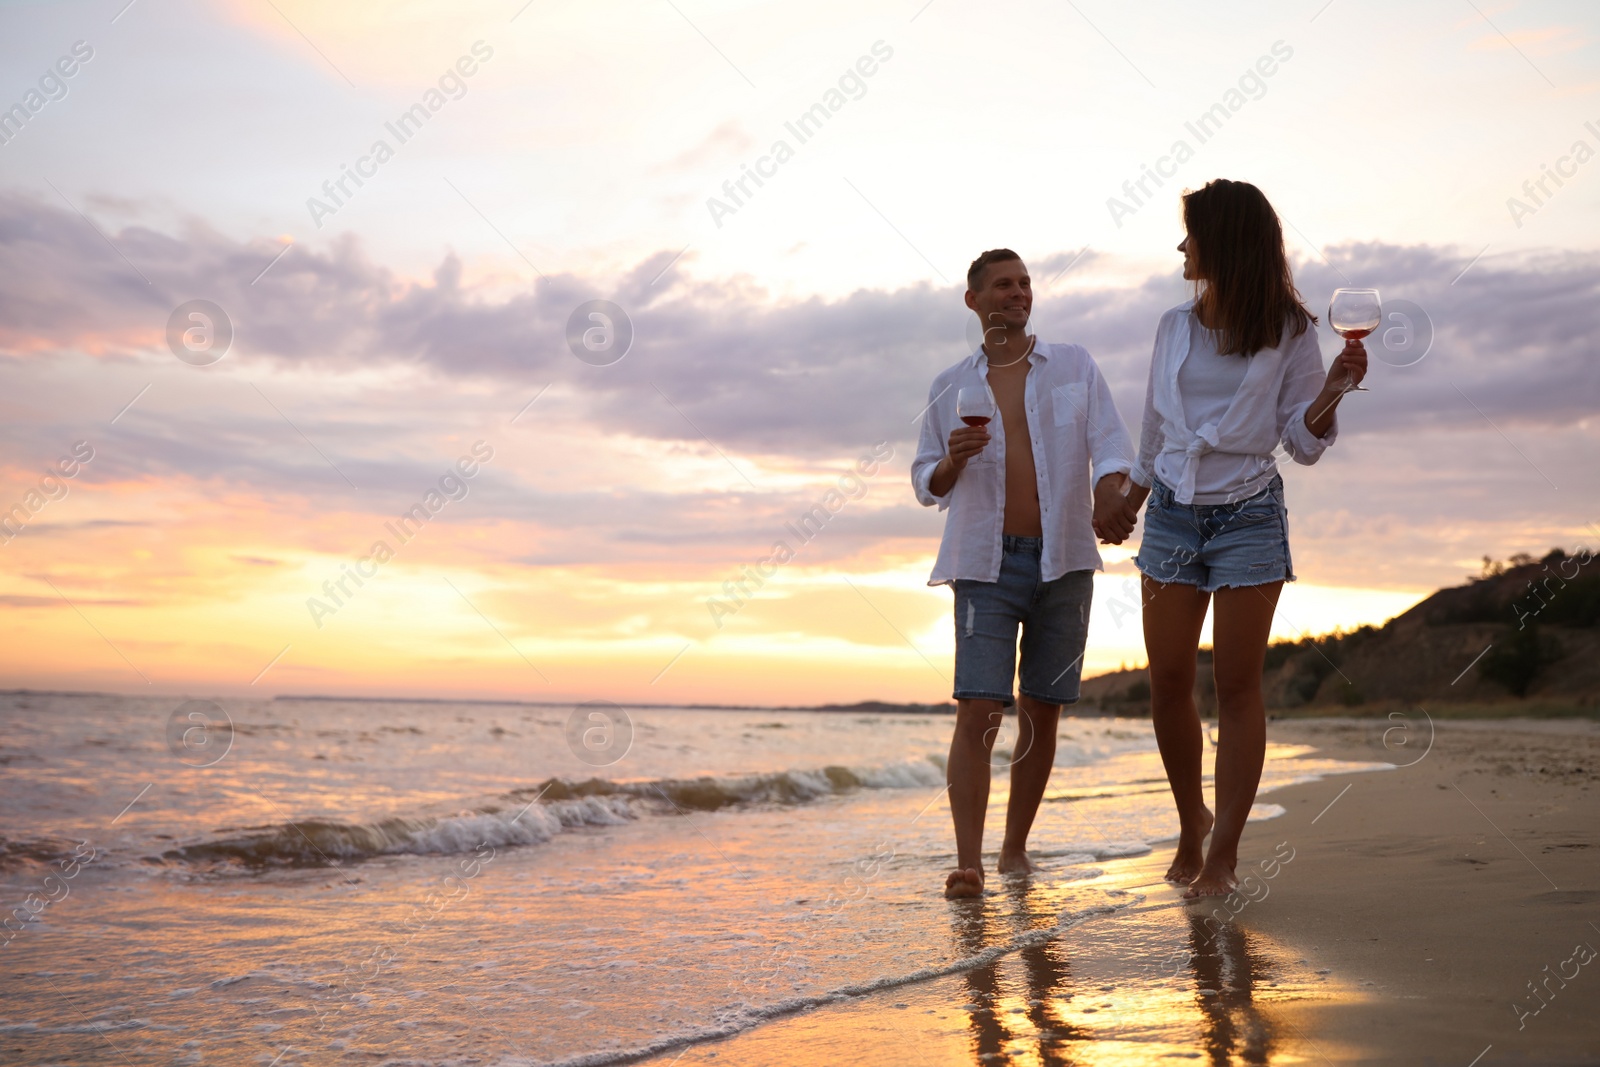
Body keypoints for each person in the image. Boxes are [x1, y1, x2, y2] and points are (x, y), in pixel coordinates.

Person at [1110, 179, 1367, 898]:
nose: (1181, 246)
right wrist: (1130, 495)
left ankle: (1223, 852)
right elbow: (1155, 428)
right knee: (1165, 679)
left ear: (1222, 241)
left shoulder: (1288, 329)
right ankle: (1191, 819)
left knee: (1237, 683)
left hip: (1248, 513)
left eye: (1190, 233)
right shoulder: (1172, 325)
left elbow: (1302, 442)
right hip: (1170, 513)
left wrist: (1335, 390)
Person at [912, 249, 1136, 900]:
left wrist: (1107, 489)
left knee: (1041, 711)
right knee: (978, 708)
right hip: (984, 561)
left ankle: (1014, 847)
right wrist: (952, 461)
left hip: (1063, 556)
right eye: (1003, 285)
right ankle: (968, 861)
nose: (1018, 293)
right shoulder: (952, 386)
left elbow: (1114, 443)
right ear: (974, 300)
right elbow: (928, 482)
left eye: (1025, 283)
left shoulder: (1073, 366)